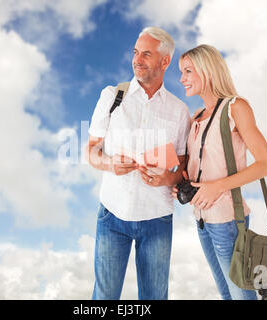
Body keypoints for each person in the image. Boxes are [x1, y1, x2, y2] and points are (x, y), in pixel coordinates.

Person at [85, 26, 191, 300]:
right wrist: (110, 164)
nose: (137, 59)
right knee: (105, 296)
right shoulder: (111, 96)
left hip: (156, 216)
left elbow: (182, 163)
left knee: (155, 296)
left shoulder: (179, 111)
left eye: (146, 53)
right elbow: (91, 152)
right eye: (135, 52)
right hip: (112, 214)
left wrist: (169, 178)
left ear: (165, 61)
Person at [173, 44, 267, 300]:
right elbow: (195, 167)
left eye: (187, 71)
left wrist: (217, 186)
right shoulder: (196, 116)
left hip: (228, 220)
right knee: (227, 295)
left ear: (207, 71)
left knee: (241, 296)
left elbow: (266, 163)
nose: (181, 78)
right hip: (202, 221)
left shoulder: (235, 108)